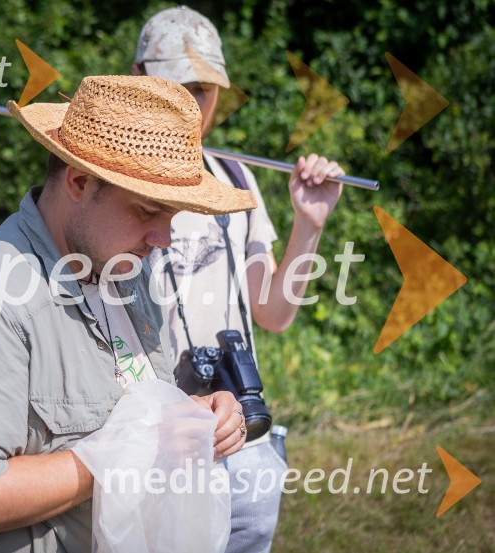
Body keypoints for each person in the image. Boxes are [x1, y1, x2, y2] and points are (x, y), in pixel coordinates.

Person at [0, 75, 258, 553]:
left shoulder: (124, 268)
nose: (164, 240)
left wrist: (197, 418)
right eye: (147, 211)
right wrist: (127, 456)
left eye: (172, 217)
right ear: (78, 182)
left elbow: (135, 409)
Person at [135, 6, 346, 553]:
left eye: (202, 90)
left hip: (245, 439)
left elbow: (272, 314)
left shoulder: (235, 177)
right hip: (158, 446)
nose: (190, 104)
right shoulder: (115, 185)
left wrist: (309, 224)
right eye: (174, 86)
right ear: (137, 80)